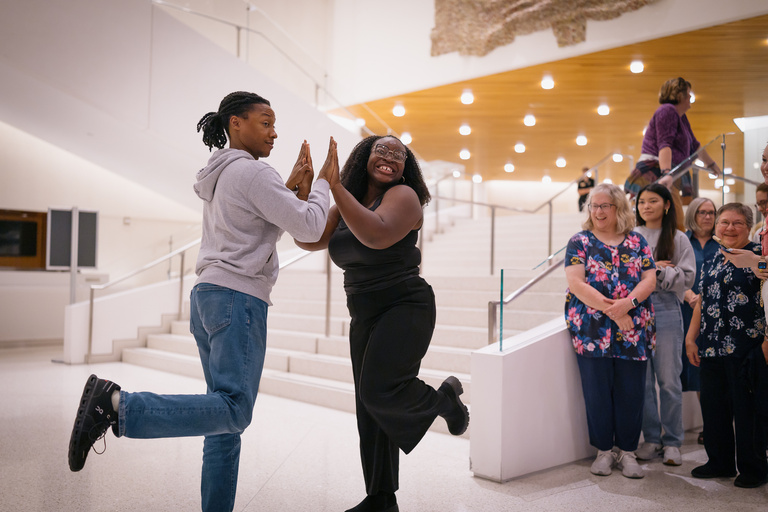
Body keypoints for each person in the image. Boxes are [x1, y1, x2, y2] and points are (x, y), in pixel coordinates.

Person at [68, 91, 338, 512]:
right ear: (236, 123)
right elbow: (311, 225)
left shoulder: (223, 172)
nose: (274, 133)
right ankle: (118, 406)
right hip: (237, 298)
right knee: (234, 411)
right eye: (266, 122)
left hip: (209, 297)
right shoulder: (253, 171)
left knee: (222, 422)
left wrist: (290, 191)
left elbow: (259, 227)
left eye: (274, 125)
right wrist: (324, 182)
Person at [295, 135, 469, 512]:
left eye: (398, 154)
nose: (390, 157)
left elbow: (376, 234)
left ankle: (444, 400)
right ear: (365, 157)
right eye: (382, 150)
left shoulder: (405, 196)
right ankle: (381, 499)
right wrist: (305, 191)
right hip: (363, 311)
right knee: (368, 407)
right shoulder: (349, 202)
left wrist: (335, 185)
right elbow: (309, 240)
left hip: (404, 304)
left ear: (406, 167)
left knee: (377, 391)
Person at [564, 183, 656, 479]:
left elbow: (649, 279)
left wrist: (628, 304)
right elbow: (576, 283)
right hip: (592, 330)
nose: (598, 211)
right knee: (597, 392)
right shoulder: (579, 241)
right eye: (594, 205)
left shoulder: (637, 241)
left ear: (619, 208)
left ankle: (628, 452)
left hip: (634, 329)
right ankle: (604, 451)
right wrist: (615, 312)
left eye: (605, 205)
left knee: (632, 392)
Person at [685, 203, 768, 488]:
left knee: (748, 411)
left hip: (747, 346)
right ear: (716, 226)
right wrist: (691, 338)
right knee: (714, 408)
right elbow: (701, 300)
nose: (730, 228)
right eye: (724, 222)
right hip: (711, 346)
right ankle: (719, 462)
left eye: (737, 223)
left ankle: (754, 469)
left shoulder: (759, 257)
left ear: (749, 227)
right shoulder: (713, 258)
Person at [633, 183, 695, 466]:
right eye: (642, 202)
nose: (646, 206)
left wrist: (654, 271)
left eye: (653, 201)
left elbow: (687, 278)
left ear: (667, 205)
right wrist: (657, 268)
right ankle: (651, 439)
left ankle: (672, 441)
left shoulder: (679, 238)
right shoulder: (632, 236)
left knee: (669, 380)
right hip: (636, 309)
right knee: (643, 382)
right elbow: (624, 273)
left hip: (667, 308)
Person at [628, 77, 721, 231]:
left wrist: (711, 164)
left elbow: (694, 145)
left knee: (674, 221)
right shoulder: (667, 110)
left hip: (670, 173)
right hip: (657, 171)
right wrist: (666, 173)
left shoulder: (680, 116)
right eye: (688, 93)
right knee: (669, 221)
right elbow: (664, 143)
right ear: (679, 95)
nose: (690, 96)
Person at [681, 197, 719, 445]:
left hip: (719, 313)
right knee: (697, 368)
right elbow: (675, 271)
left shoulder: (723, 240)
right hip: (688, 310)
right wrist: (690, 296)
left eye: (712, 212)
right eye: (702, 212)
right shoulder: (681, 241)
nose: (707, 217)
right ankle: (709, 424)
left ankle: (718, 423)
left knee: (717, 368)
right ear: (692, 214)